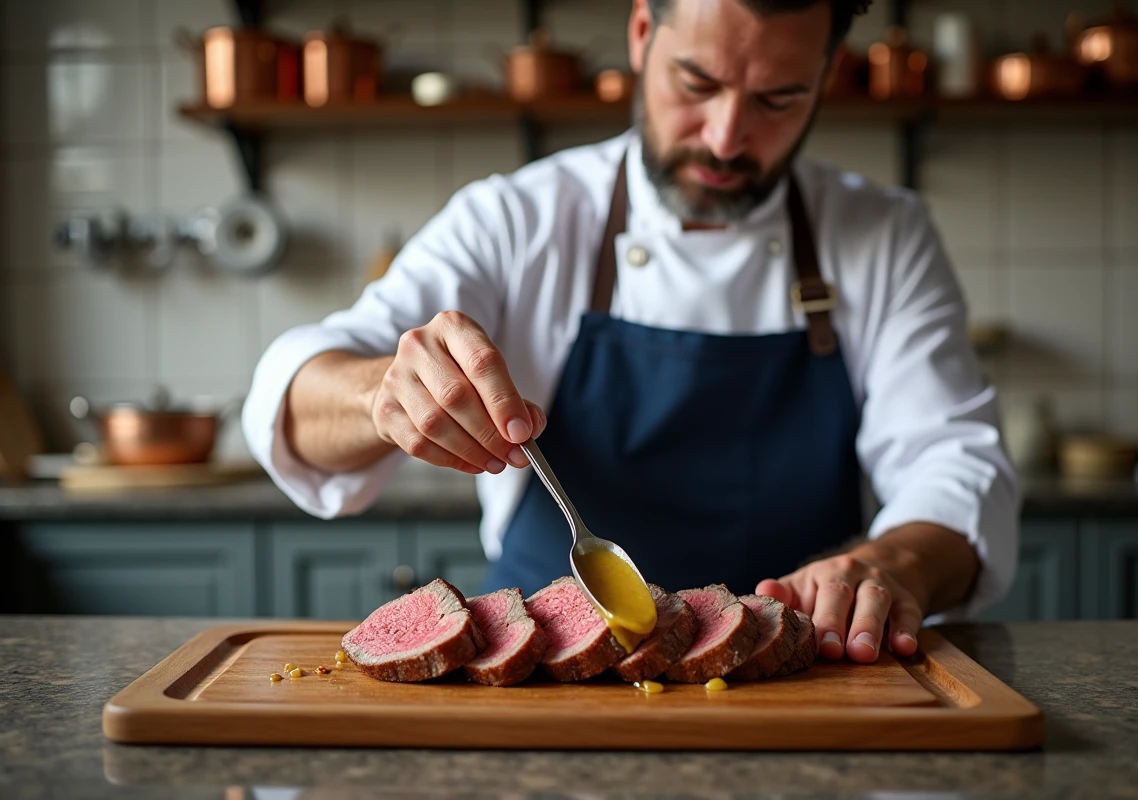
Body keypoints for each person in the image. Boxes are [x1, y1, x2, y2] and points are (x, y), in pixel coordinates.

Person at [243, 0, 1020, 665]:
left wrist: (896, 565)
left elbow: (953, 462)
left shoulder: (885, 236)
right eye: (699, 83)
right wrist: (385, 392)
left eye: (778, 99)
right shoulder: (516, 219)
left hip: (795, 685)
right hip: (548, 693)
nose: (725, 137)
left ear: (826, 72)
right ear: (643, 32)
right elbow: (293, 394)